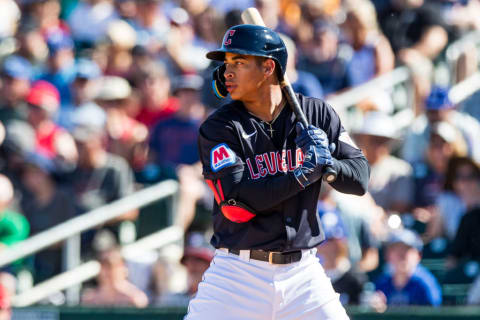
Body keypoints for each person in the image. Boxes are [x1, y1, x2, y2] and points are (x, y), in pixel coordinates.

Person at [186, 24, 369, 319]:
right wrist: (303, 173)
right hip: (237, 275)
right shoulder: (219, 128)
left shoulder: (317, 114)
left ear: (268, 67)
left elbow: (360, 178)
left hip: (303, 274)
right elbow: (236, 204)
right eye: (227, 64)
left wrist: (328, 165)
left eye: (239, 63)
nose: (227, 72)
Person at [374, 229, 442, 306]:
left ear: (418, 255)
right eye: (397, 250)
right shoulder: (382, 283)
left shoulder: (424, 284)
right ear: (387, 255)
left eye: (407, 250)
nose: (401, 255)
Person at [81, 246, 148, 307]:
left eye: (110, 266)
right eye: (103, 266)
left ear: (123, 267)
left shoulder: (135, 299)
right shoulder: (89, 300)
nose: (106, 271)